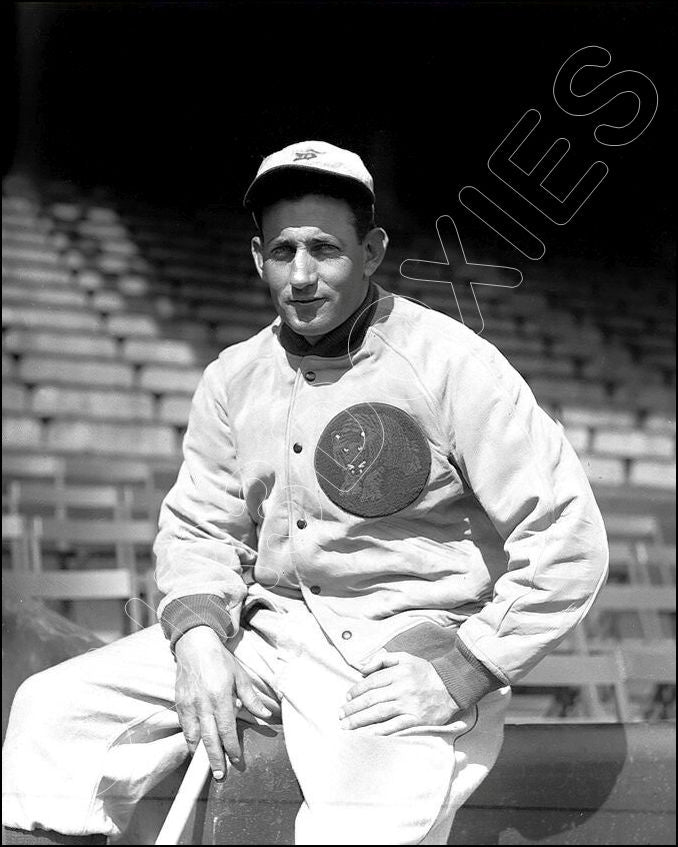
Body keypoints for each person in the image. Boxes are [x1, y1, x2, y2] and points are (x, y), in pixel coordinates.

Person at [2, 140, 609, 845]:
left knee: (362, 825)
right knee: (54, 710)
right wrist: (199, 636)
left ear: (373, 250)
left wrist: (462, 670)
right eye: (283, 250)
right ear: (257, 257)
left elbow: (568, 540)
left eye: (325, 248)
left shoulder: (451, 362)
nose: (302, 275)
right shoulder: (233, 377)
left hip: (402, 648)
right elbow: (201, 528)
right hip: (268, 636)